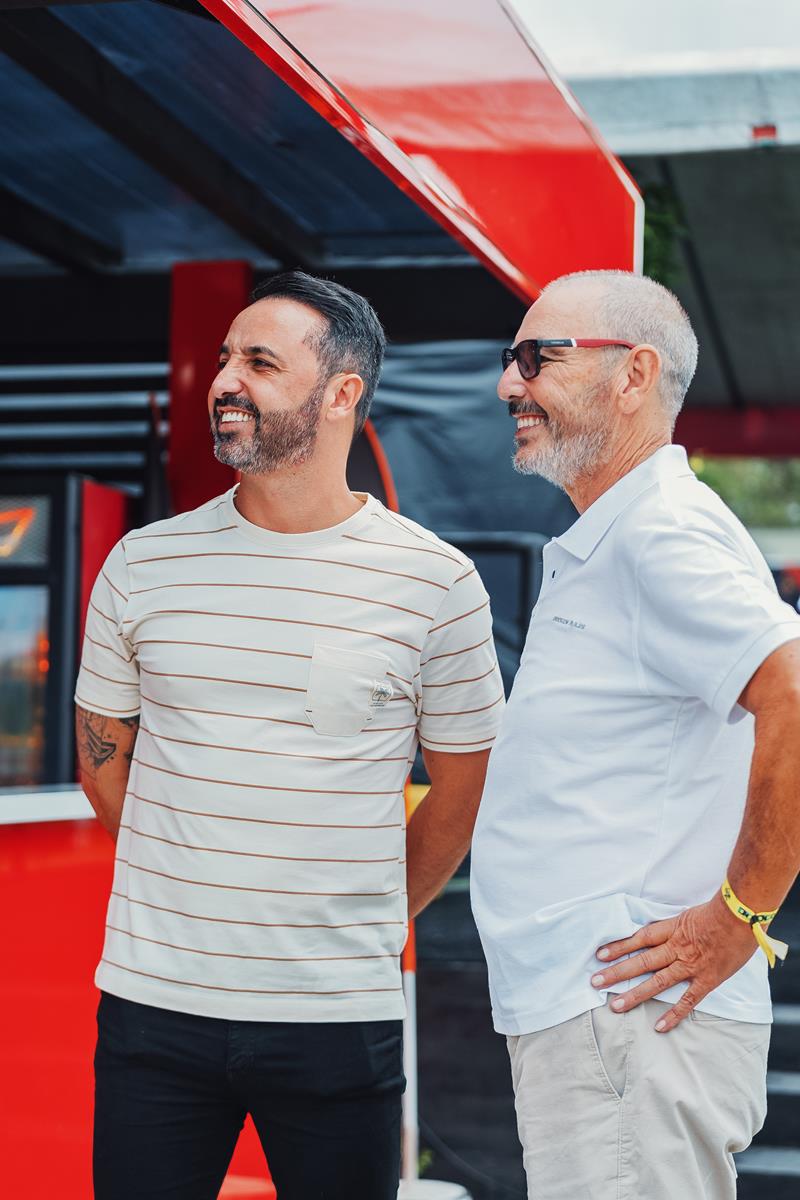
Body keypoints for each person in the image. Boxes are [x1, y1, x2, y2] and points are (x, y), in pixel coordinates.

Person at [75, 270, 503, 1200]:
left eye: (260, 363)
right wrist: (193, 883)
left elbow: (464, 788)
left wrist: (366, 917)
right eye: (225, 357)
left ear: (342, 393)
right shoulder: (142, 564)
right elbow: (103, 762)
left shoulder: (436, 582)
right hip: (154, 1005)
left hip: (336, 1013)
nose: (225, 380)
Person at [470, 270, 800, 1199]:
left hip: (625, 1019)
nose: (508, 383)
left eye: (538, 357)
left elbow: (794, 692)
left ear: (634, 375)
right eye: (510, 359)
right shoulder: (624, 534)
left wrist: (740, 918)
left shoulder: (660, 532)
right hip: (610, 1020)